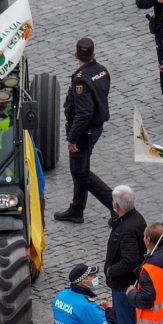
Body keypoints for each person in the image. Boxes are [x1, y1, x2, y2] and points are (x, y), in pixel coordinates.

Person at [56, 38, 113, 223]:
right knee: (79, 169)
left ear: (76, 55)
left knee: (81, 172)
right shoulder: (102, 71)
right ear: (94, 54)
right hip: (94, 128)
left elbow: (83, 113)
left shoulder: (81, 81)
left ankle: (116, 206)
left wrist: (72, 139)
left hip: (83, 132)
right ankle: (77, 209)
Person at [103, 185, 147, 324]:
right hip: (121, 284)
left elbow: (130, 260)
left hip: (124, 285)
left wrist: (111, 270)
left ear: (117, 205)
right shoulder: (132, 219)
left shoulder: (128, 228)